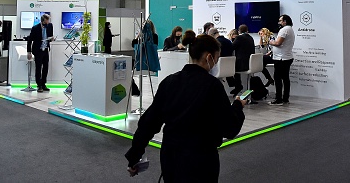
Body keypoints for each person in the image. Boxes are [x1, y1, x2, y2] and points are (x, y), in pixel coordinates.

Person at [125, 30, 246, 182]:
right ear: (209, 57)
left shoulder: (170, 82)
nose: (216, 63)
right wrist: (237, 106)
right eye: (217, 58)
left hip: (171, 157)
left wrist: (135, 155)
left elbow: (149, 123)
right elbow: (229, 128)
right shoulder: (212, 86)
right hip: (201, 160)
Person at [268, 14, 295, 105]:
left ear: (285, 21)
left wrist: (270, 42)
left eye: (280, 20)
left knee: (278, 78)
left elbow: (278, 43)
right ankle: (285, 98)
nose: (279, 22)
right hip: (286, 57)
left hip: (281, 58)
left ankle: (279, 99)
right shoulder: (290, 29)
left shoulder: (284, 30)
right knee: (285, 78)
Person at [27, 13, 54, 93]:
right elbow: (30, 40)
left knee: (46, 67)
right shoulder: (35, 28)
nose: (48, 22)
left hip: (46, 49)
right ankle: (39, 85)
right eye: (47, 20)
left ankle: (43, 84)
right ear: (43, 20)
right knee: (38, 68)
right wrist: (29, 52)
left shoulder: (50, 26)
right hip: (38, 50)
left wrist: (51, 39)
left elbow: (50, 36)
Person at [231, 24, 255, 96]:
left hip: (243, 64)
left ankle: (238, 86)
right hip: (251, 64)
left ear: (239, 31)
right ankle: (239, 87)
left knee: (231, 68)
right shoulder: (250, 37)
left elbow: (232, 47)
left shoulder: (239, 38)